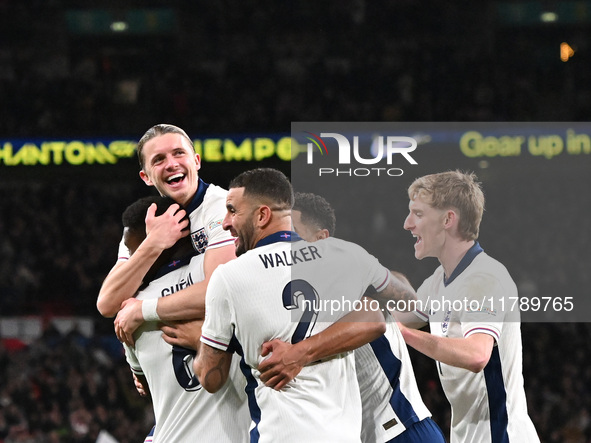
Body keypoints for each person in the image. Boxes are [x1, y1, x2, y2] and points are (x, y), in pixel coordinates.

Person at [264, 191, 444, 443]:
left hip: (401, 429)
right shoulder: (288, 299)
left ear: (322, 240)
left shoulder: (353, 287)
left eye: (294, 232)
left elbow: (414, 307)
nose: (285, 242)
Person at [399, 170, 539, 443]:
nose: (407, 224)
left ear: (448, 219)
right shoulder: (438, 281)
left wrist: (400, 333)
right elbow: (390, 320)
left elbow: (477, 355)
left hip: (502, 436)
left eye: (418, 213)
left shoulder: (484, 278)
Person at [120, 195, 249, 443]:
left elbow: (143, 385)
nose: (133, 258)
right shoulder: (219, 273)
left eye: (135, 249)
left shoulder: (129, 310)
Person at [96, 123, 236, 346]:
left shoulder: (223, 207)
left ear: (196, 161)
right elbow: (107, 304)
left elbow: (222, 291)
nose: (171, 164)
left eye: (179, 153)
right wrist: (153, 243)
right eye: (158, 159)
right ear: (146, 177)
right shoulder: (140, 223)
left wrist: (143, 310)